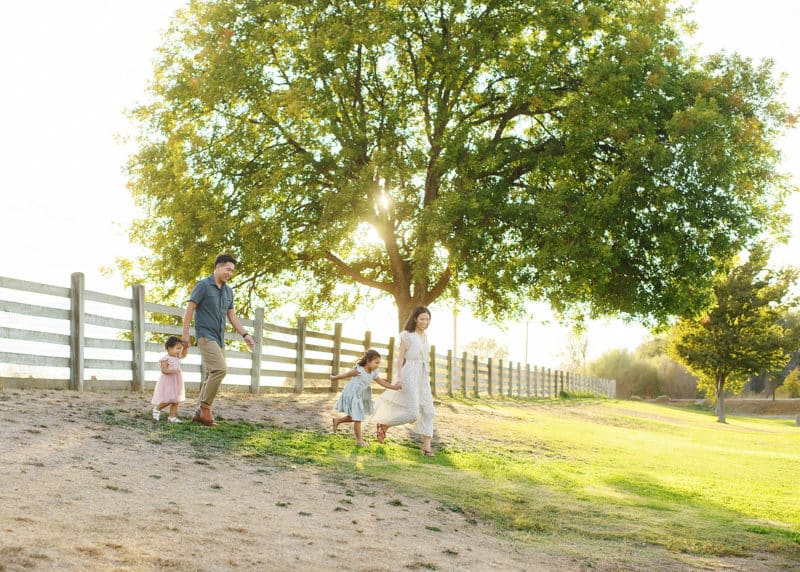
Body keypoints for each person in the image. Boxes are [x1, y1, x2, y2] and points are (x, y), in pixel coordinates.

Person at [182, 253, 255, 426]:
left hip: (219, 339)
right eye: (227, 269)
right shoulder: (203, 286)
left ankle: (199, 412)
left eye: (232, 271)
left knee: (211, 374)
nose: (230, 273)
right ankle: (205, 408)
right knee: (220, 369)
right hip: (205, 335)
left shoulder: (229, 291)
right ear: (218, 267)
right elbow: (190, 309)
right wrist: (185, 334)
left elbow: (232, 317)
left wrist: (245, 334)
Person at [372, 306, 436, 456]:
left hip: (423, 375)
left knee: (428, 410)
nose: (425, 322)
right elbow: (400, 358)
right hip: (410, 374)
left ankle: (426, 448)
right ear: (415, 319)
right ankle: (384, 424)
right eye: (422, 319)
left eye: (427, 319)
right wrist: (399, 377)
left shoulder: (426, 336)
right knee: (413, 413)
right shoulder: (407, 335)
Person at [331, 349, 400, 447]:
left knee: (354, 416)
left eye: (379, 363)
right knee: (358, 418)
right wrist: (334, 378)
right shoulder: (359, 370)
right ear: (368, 361)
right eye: (376, 362)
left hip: (360, 396)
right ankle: (359, 441)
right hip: (352, 394)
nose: (377, 365)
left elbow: (382, 382)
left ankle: (337, 420)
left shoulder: (373, 373)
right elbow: (345, 375)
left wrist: (393, 387)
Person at [151, 336, 187, 422]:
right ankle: (157, 409)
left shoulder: (177, 357)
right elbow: (164, 370)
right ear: (169, 348)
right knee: (169, 399)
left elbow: (184, 355)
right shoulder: (165, 359)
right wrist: (174, 371)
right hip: (168, 381)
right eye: (177, 348)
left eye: (180, 349)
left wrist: (185, 348)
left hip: (176, 381)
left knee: (176, 400)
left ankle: (172, 417)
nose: (179, 351)